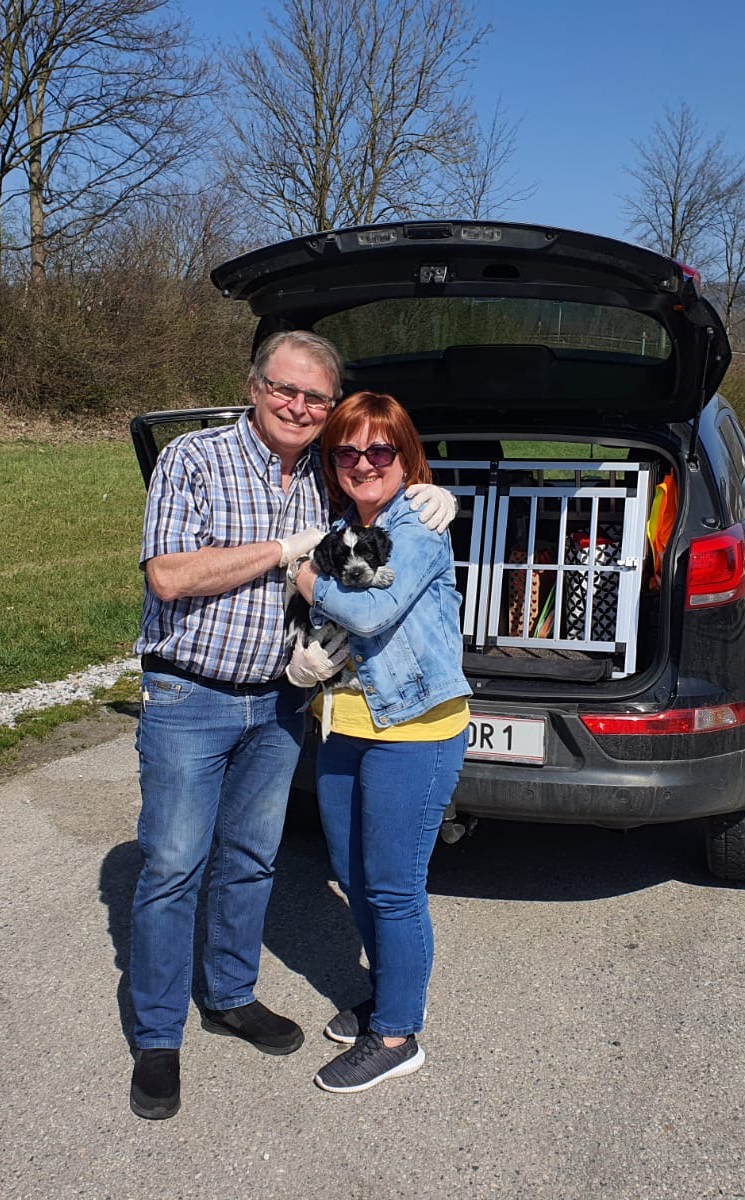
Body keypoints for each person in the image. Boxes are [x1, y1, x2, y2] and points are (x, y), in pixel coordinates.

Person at [127, 331, 454, 1121]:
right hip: (190, 695)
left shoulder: (329, 471)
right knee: (174, 867)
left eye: (316, 398)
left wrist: (432, 497)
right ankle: (158, 1038)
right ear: (254, 385)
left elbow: (381, 495)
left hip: (278, 702)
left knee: (249, 860)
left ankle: (231, 995)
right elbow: (169, 575)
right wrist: (284, 551)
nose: (300, 408)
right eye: (287, 390)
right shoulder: (194, 460)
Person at [290, 391, 472, 1094]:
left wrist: (303, 574)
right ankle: (387, 995)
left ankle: (398, 1034)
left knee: (395, 888)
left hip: (415, 729)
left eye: (380, 450)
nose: (364, 463)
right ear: (332, 462)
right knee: (354, 875)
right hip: (344, 726)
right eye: (347, 452)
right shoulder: (338, 524)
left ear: (404, 455)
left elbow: (374, 612)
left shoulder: (419, 527)